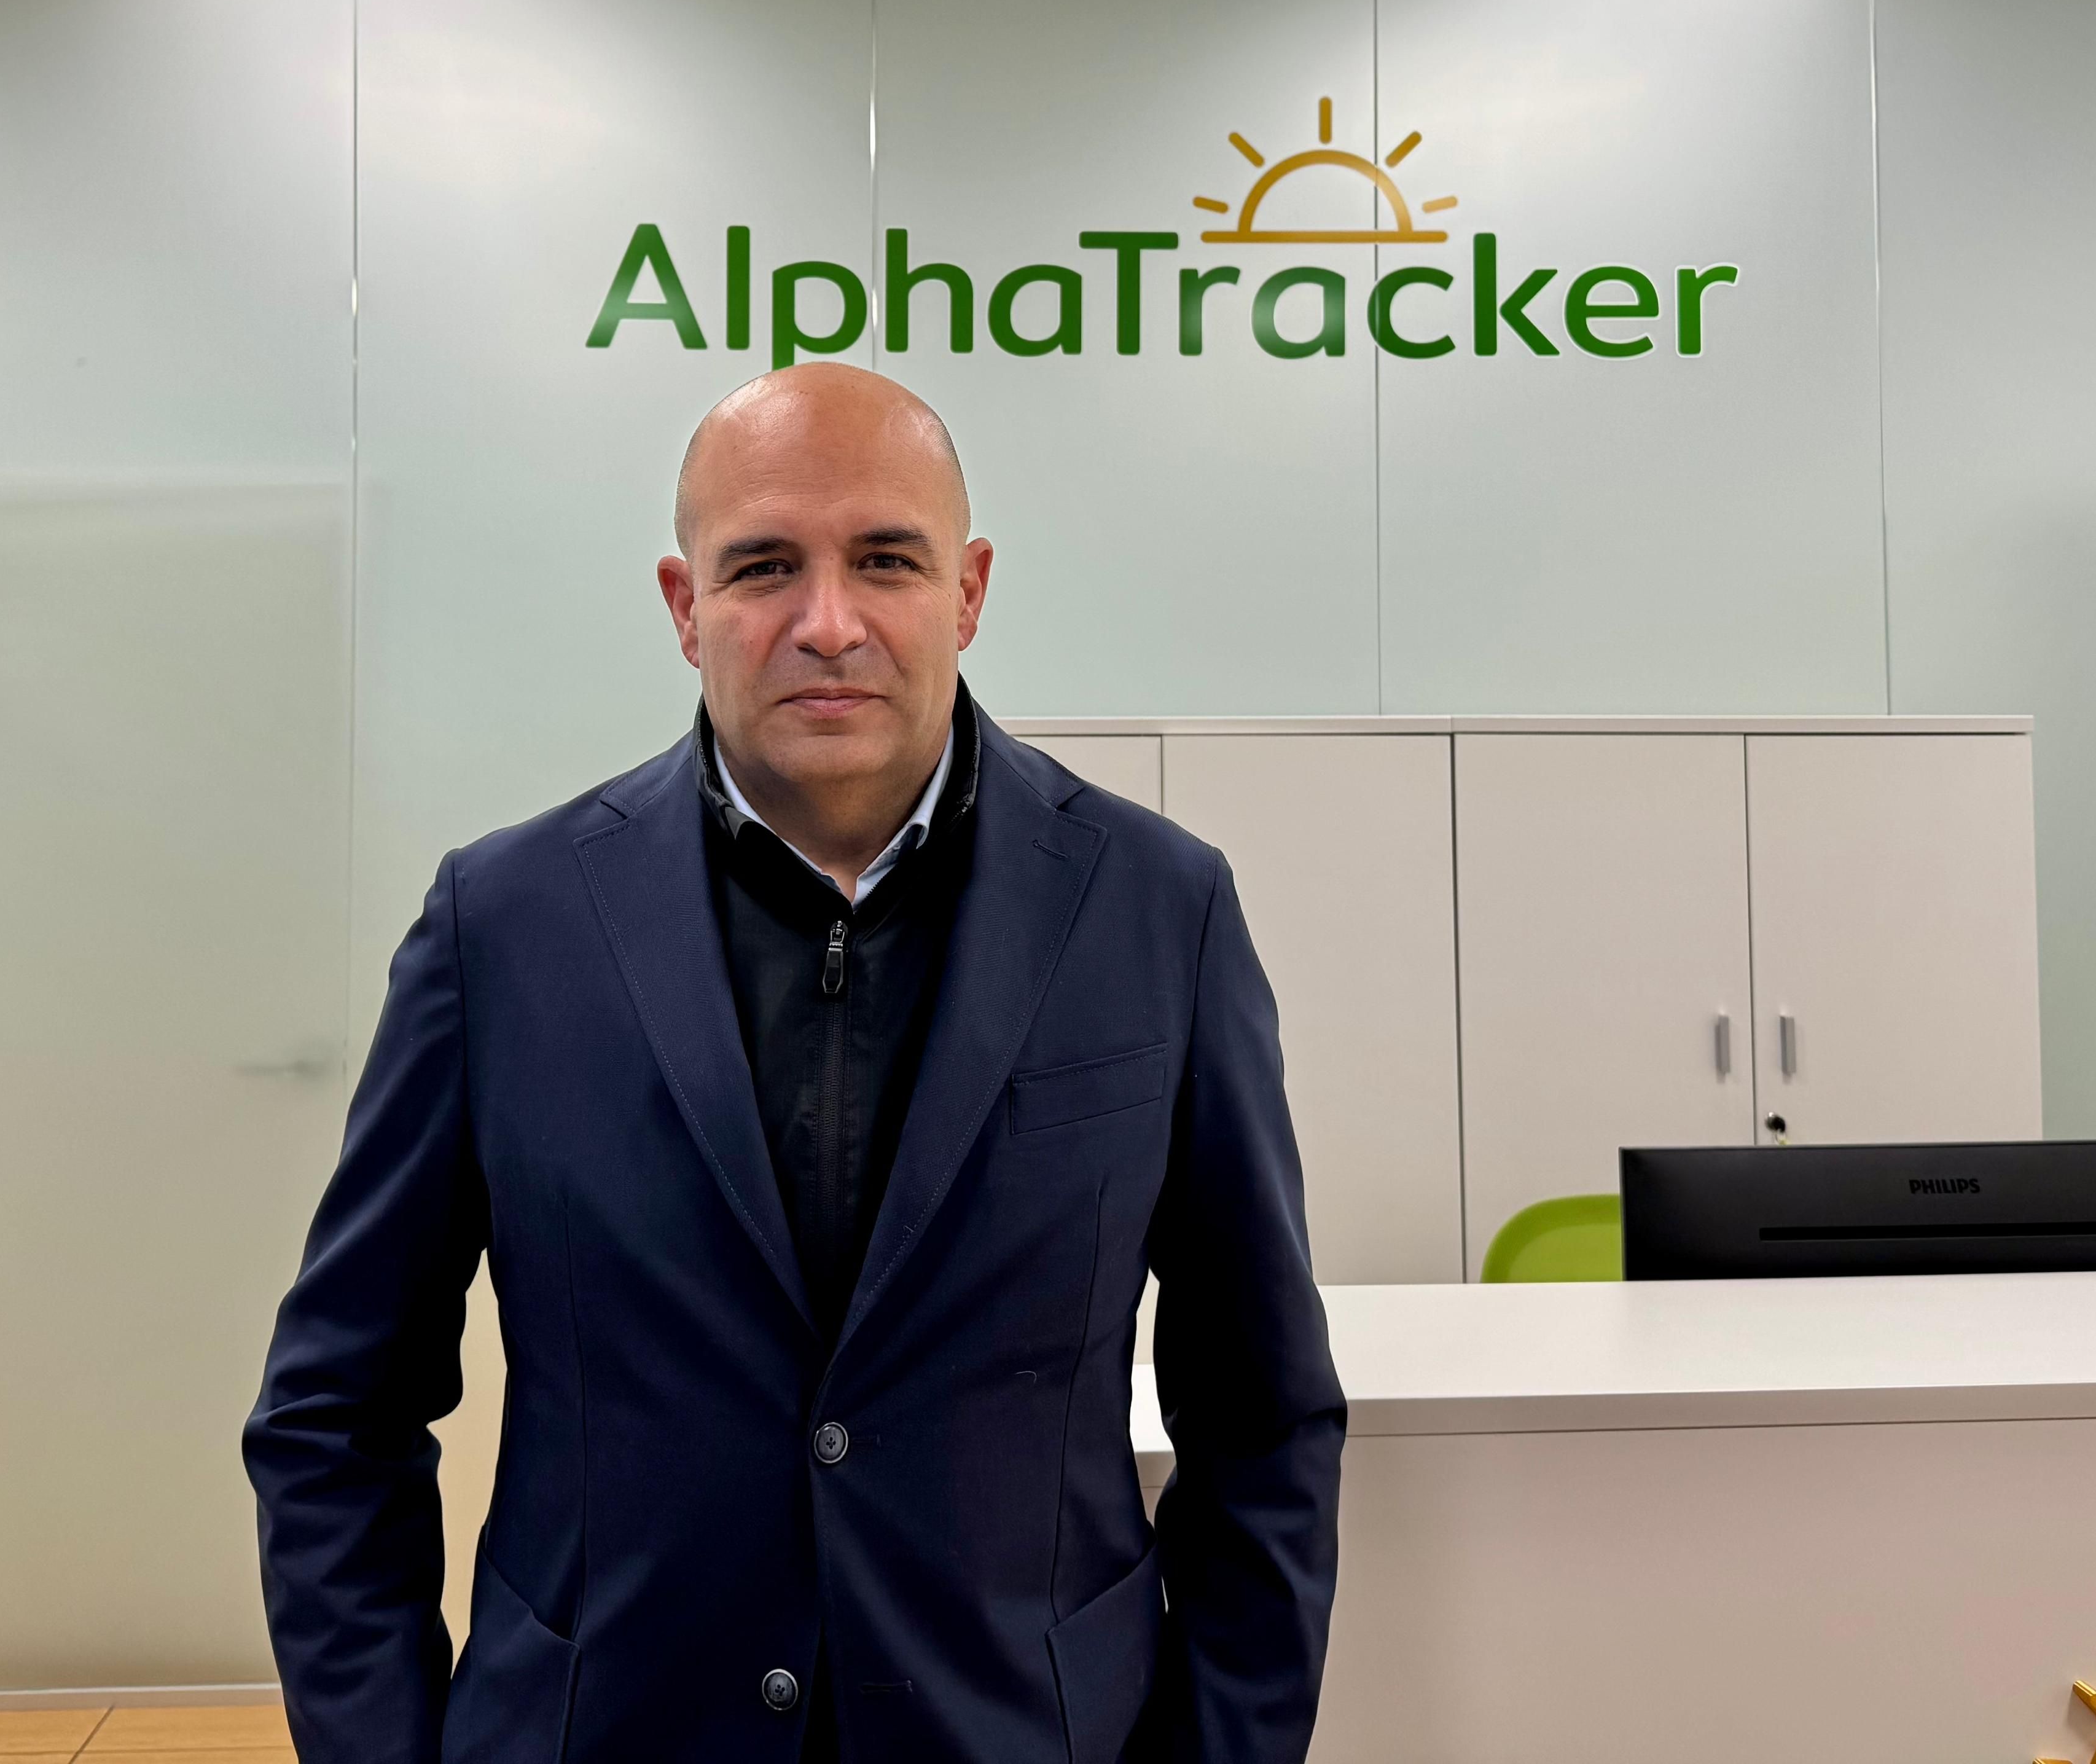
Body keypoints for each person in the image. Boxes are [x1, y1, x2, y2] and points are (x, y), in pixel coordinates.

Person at [245, 363, 1342, 1763]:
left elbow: (1262, 1418)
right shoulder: (504, 927)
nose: (829, 623)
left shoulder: (1156, 912)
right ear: (684, 605)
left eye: (886, 559)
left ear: (968, 591)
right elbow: (336, 1414)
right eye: (764, 565)